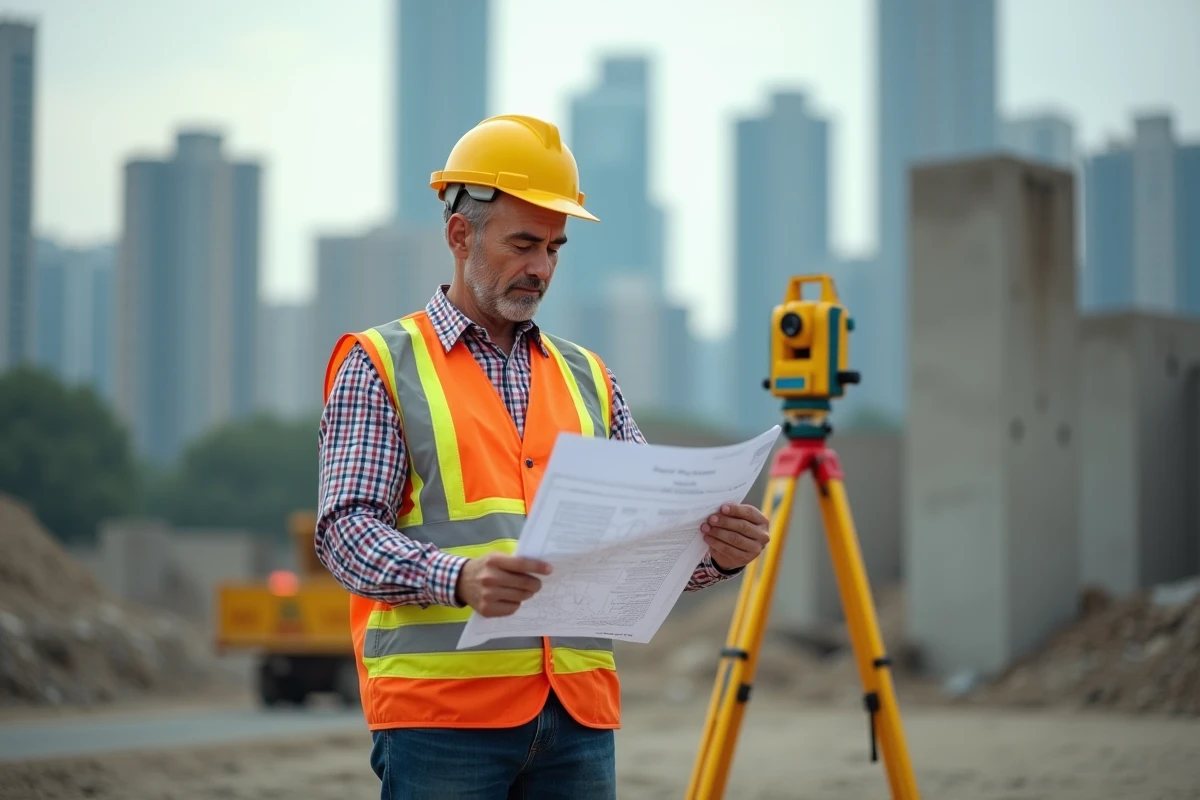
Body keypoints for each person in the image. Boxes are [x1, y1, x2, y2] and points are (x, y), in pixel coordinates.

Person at [314, 114, 771, 799]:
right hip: (443, 722)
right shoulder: (382, 363)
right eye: (523, 244)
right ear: (459, 234)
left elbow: (642, 547)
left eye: (555, 248)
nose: (541, 268)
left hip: (578, 720)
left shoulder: (588, 377)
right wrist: (460, 579)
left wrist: (716, 554)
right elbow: (344, 533)